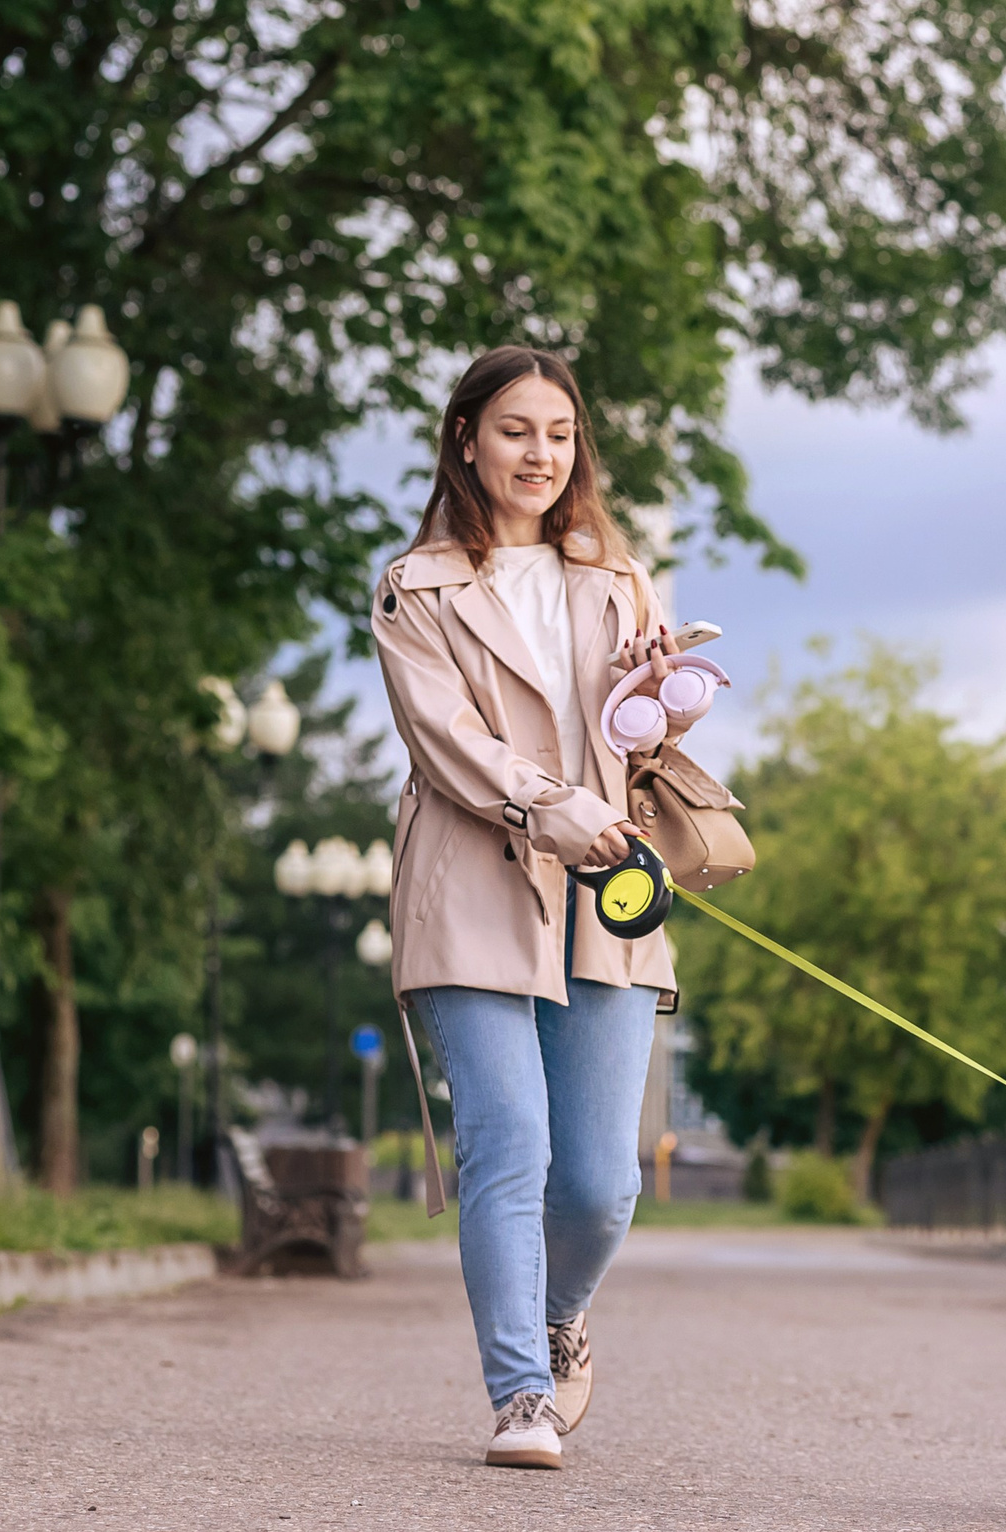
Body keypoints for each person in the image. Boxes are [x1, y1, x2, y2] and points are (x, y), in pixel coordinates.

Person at [373, 346, 697, 1469]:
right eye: (516, 430)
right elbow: (448, 742)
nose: (540, 454)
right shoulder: (414, 587)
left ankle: (560, 1315)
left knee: (604, 1179)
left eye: (558, 434)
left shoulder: (620, 579)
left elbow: (638, 748)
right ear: (467, 437)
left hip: (604, 887)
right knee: (507, 1146)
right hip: (470, 878)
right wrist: (548, 805)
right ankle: (520, 1390)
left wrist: (665, 701)